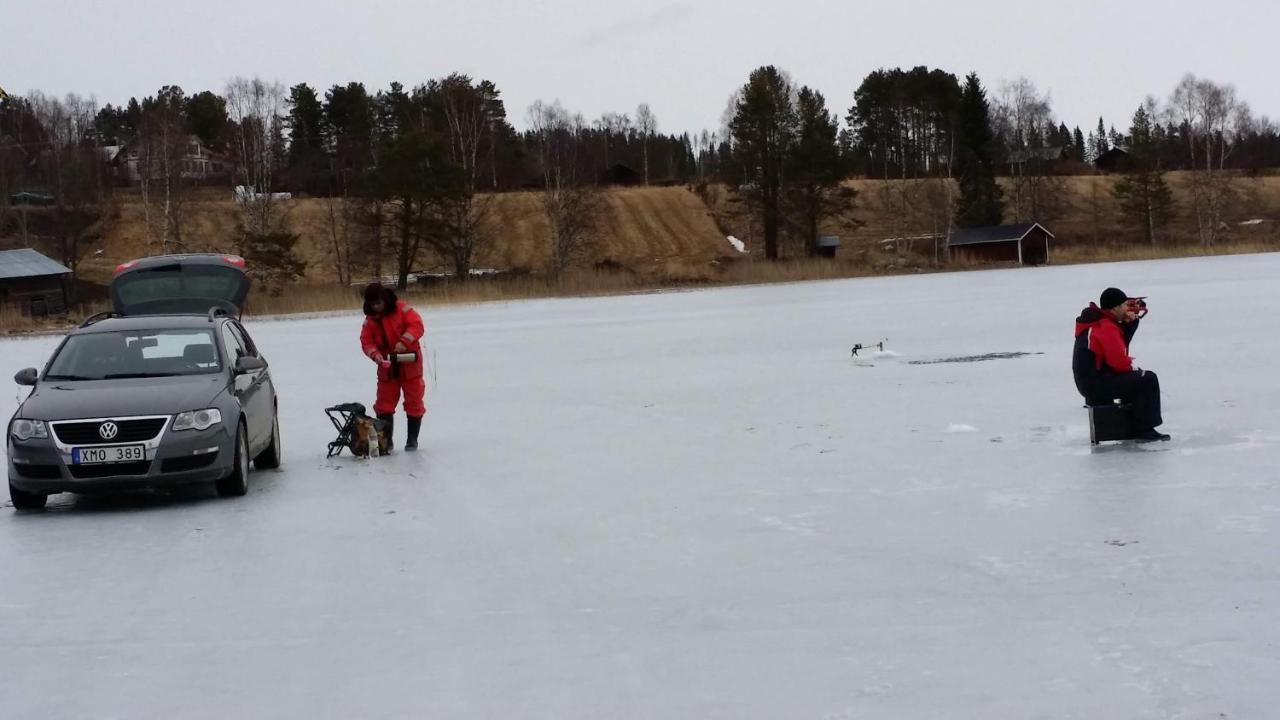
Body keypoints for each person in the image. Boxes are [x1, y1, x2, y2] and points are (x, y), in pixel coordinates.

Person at [1073, 287, 1169, 442]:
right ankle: (1145, 429)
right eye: (1125, 305)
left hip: (1091, 381)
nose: (1128, 308)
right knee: (1147, 379)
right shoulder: (1105, 327)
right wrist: (1136, 370)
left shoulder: (1097, 322)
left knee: (1136, 379)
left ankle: (1136, 426)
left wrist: (1129, 326)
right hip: (1095, 384)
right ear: (1115, 307)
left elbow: (1118, 349)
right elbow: (1119, 363)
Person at [360, 283, 426, 451]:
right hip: (387, 368)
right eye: (372, 304)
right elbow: (366, 342)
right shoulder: (370, 321)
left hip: (410, 364)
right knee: (384, 405)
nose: (376, 307)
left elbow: (417, 325)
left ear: (384, 299)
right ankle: (386, 442)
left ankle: (412, 440)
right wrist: (376, 355)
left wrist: (404, 342)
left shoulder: (403, 310)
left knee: (414, 401)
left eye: (378, 303)